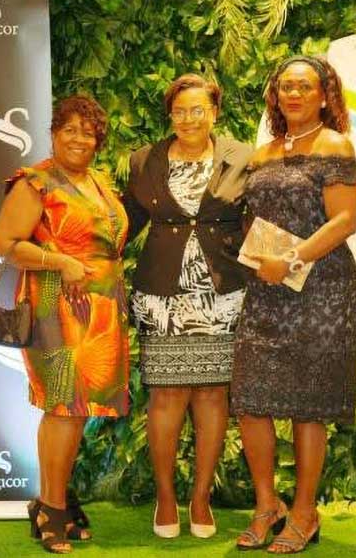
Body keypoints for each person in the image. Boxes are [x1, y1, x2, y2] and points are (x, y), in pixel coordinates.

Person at [231, 55, 356, 554]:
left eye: (305, 86)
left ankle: (305, 512)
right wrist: (260, 254)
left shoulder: (334, 145)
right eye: (285, 86)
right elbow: (253, 216)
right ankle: (268, 505)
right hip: (266, 289)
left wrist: (288, 258)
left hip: (323, 289)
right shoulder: (262, 154)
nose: (294, 93)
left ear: (325, 95)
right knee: (251, 398)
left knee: (309, 406)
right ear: (275, 95)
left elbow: (345, 221)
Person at [0, 94, 130, 554]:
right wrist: (59, 260)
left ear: (98, 141)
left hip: (101, 308)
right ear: (54, 133)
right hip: (56, 303)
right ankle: (51, 510)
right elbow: (6, 243)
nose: (78, 138)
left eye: (87, 132)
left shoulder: (99, 182)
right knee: (63, 408)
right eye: (69, 129)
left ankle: (55, 500)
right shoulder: (35, 182)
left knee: (77, 413)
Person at [123, 73, 252, 538]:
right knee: (166, 394)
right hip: (162, 296)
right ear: (170, 115)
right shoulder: (145, 161)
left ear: (215, 112)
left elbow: (257, 217)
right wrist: (90, 259)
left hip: (220, 293)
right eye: (179, 111)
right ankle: (165, 497)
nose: (188, 119)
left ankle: (200, 499)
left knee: (212, 395)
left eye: (198, 109)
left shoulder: (241, 158)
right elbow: (126, 221)